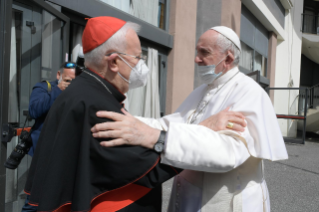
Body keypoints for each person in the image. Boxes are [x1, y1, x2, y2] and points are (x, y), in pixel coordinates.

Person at [23, 17, 244, 212]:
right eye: (138, 57)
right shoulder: (96, 104)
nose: (141, 65)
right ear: (114, 62)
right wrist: (203, 130)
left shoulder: (83, 91)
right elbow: (147, 167)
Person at [91, 26, 289, 212]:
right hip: (187, 195)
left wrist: (156, 138)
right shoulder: (202, 91)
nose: (196, 59)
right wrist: (127, 121)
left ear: (227, 58)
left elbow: (228, 154)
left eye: (204, 52)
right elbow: (170, 124)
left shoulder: (249, 92)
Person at [22, 62, 76, 212]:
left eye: (74, 80)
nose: (70, 84)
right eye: (67, 79)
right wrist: (59, 89)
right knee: (34, 200)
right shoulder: (45, 88)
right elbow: (34, 111)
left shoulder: (77, 92)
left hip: (66, 152)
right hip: (44, 154)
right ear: (59, 75)